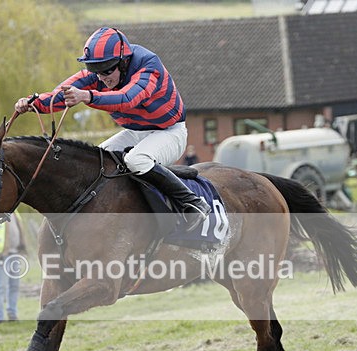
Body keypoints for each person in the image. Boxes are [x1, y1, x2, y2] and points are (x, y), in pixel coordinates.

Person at [14, 27, 210, 231]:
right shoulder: (100, 74)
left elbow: (127, 98)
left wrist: (87, 96)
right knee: (97, 162)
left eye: (107, 70)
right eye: (96, 71)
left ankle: (193, 203)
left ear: (124, 62)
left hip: (169, 132)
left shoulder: (149, 66)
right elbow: (59, 95)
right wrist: (32, 103)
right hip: (135, 132)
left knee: (136, 159)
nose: (101, 78)